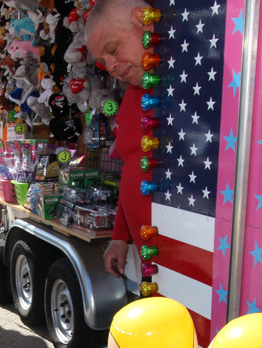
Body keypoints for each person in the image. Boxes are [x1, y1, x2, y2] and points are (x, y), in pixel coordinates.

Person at [86, 0, 155, 282]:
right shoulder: (132, 97)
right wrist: (119, 237)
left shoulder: (190, 88)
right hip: (154, 261)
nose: (111, 66)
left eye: (113, 50)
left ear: (143, 19)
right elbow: (131, 169)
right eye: (103, 61)